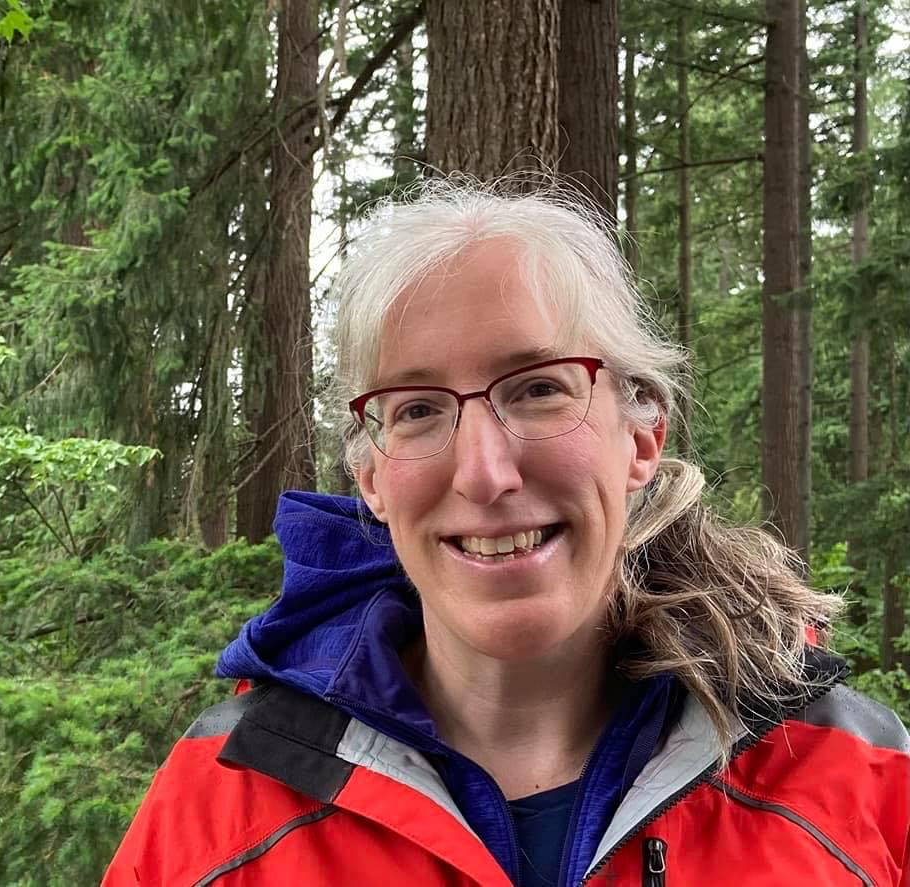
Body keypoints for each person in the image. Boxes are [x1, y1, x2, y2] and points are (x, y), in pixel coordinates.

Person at [103, 179, 910, 887]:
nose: (485, 473)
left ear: (641, 437)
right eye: (417, 408)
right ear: (372, 479)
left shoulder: (858, 780)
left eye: (538, 390)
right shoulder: (217, 807)